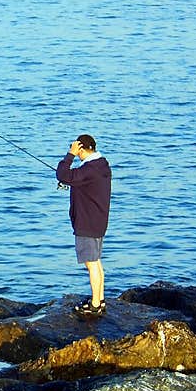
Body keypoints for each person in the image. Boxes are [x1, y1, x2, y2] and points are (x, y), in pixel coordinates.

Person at [55, 134, 112, 318]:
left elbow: (63, 175)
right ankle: (100, 299)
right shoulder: (101, 164)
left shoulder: (89, 169)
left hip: (88, 222)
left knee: (91, 263)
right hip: (97, 220)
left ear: (81, 148)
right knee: (95, 261)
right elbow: (75, 179)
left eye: (76, 149)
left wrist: (69, 155)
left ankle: (95, 304)